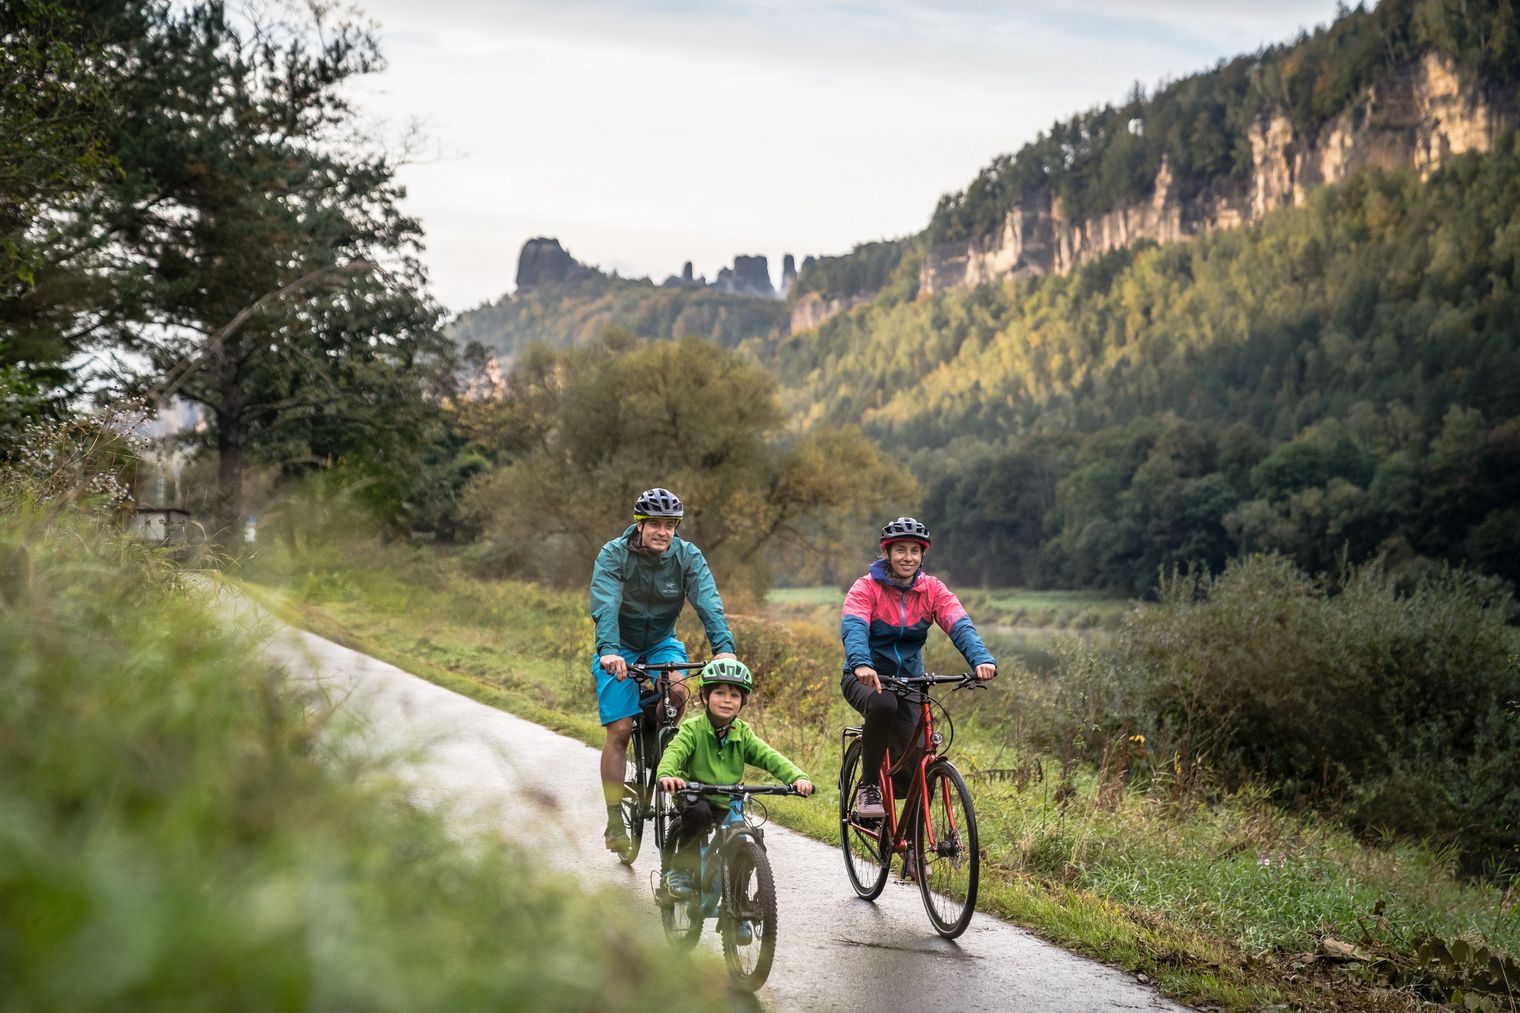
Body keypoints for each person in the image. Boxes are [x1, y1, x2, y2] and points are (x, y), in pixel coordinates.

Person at [590, 486, 738, 859]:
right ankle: (613, 820)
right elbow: (605, 604)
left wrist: (725, 651)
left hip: (661, 643)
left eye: (670, 525)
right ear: (639, 525)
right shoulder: (614, 555)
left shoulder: (687, 556)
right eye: (654, 523)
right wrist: (608, 651)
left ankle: (658, 739)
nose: (662, 531)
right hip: (619, 648)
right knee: (621, 731)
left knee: (677, 691)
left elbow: (708, 603)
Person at [840, 517, 996, 828]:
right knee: (884, 704)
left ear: (922, 555)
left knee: (921, 759)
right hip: (865, 677)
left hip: (912, 681)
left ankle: (913, 847)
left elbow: (958, 624)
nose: (907, 557)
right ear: (888, 553)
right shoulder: (866, 587)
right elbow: (854, 626)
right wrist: (860, 662)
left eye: (914, 550)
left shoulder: (933, 590)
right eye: (900, 550)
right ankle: (869, 787)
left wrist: (981, 658)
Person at [656, 658, 814, 898]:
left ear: (742, 703)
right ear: (705, 698)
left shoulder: (743, 733)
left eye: (735, 695)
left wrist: (798, 777)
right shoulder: (692, 728)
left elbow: (770, 757)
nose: (727, 700)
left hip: (727, 800)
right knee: (699, 814)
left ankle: (740, 903)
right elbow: (674, 753)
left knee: (750, 839)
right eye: (719, 693)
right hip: (694, 794)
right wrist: (667, 774)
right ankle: (681, 872)